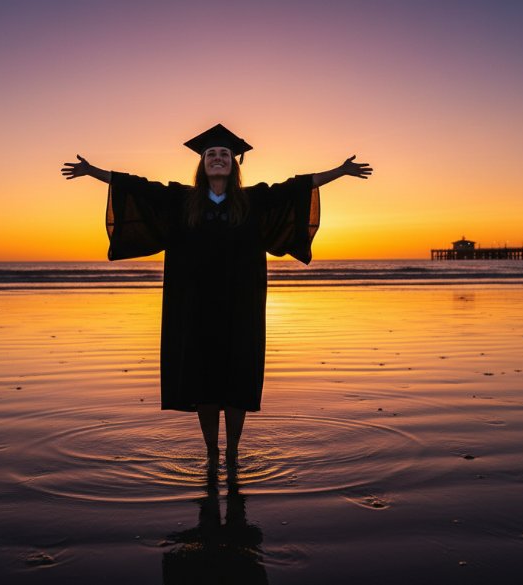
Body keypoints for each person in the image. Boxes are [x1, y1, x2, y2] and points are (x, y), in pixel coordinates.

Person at [61, 124, 372, 467]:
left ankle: (234, 451)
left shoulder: (252, 201)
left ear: (234, 164)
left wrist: (340, 172)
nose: (218, 158)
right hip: (194, 307)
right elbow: (139, 187)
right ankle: (212, 452)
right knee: (203, 380)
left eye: (224, 154)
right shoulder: (182, 201)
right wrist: (93, 172)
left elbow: (296, 187)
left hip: (243, 306)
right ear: (202, 163)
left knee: (239, 378)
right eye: (212, 154)